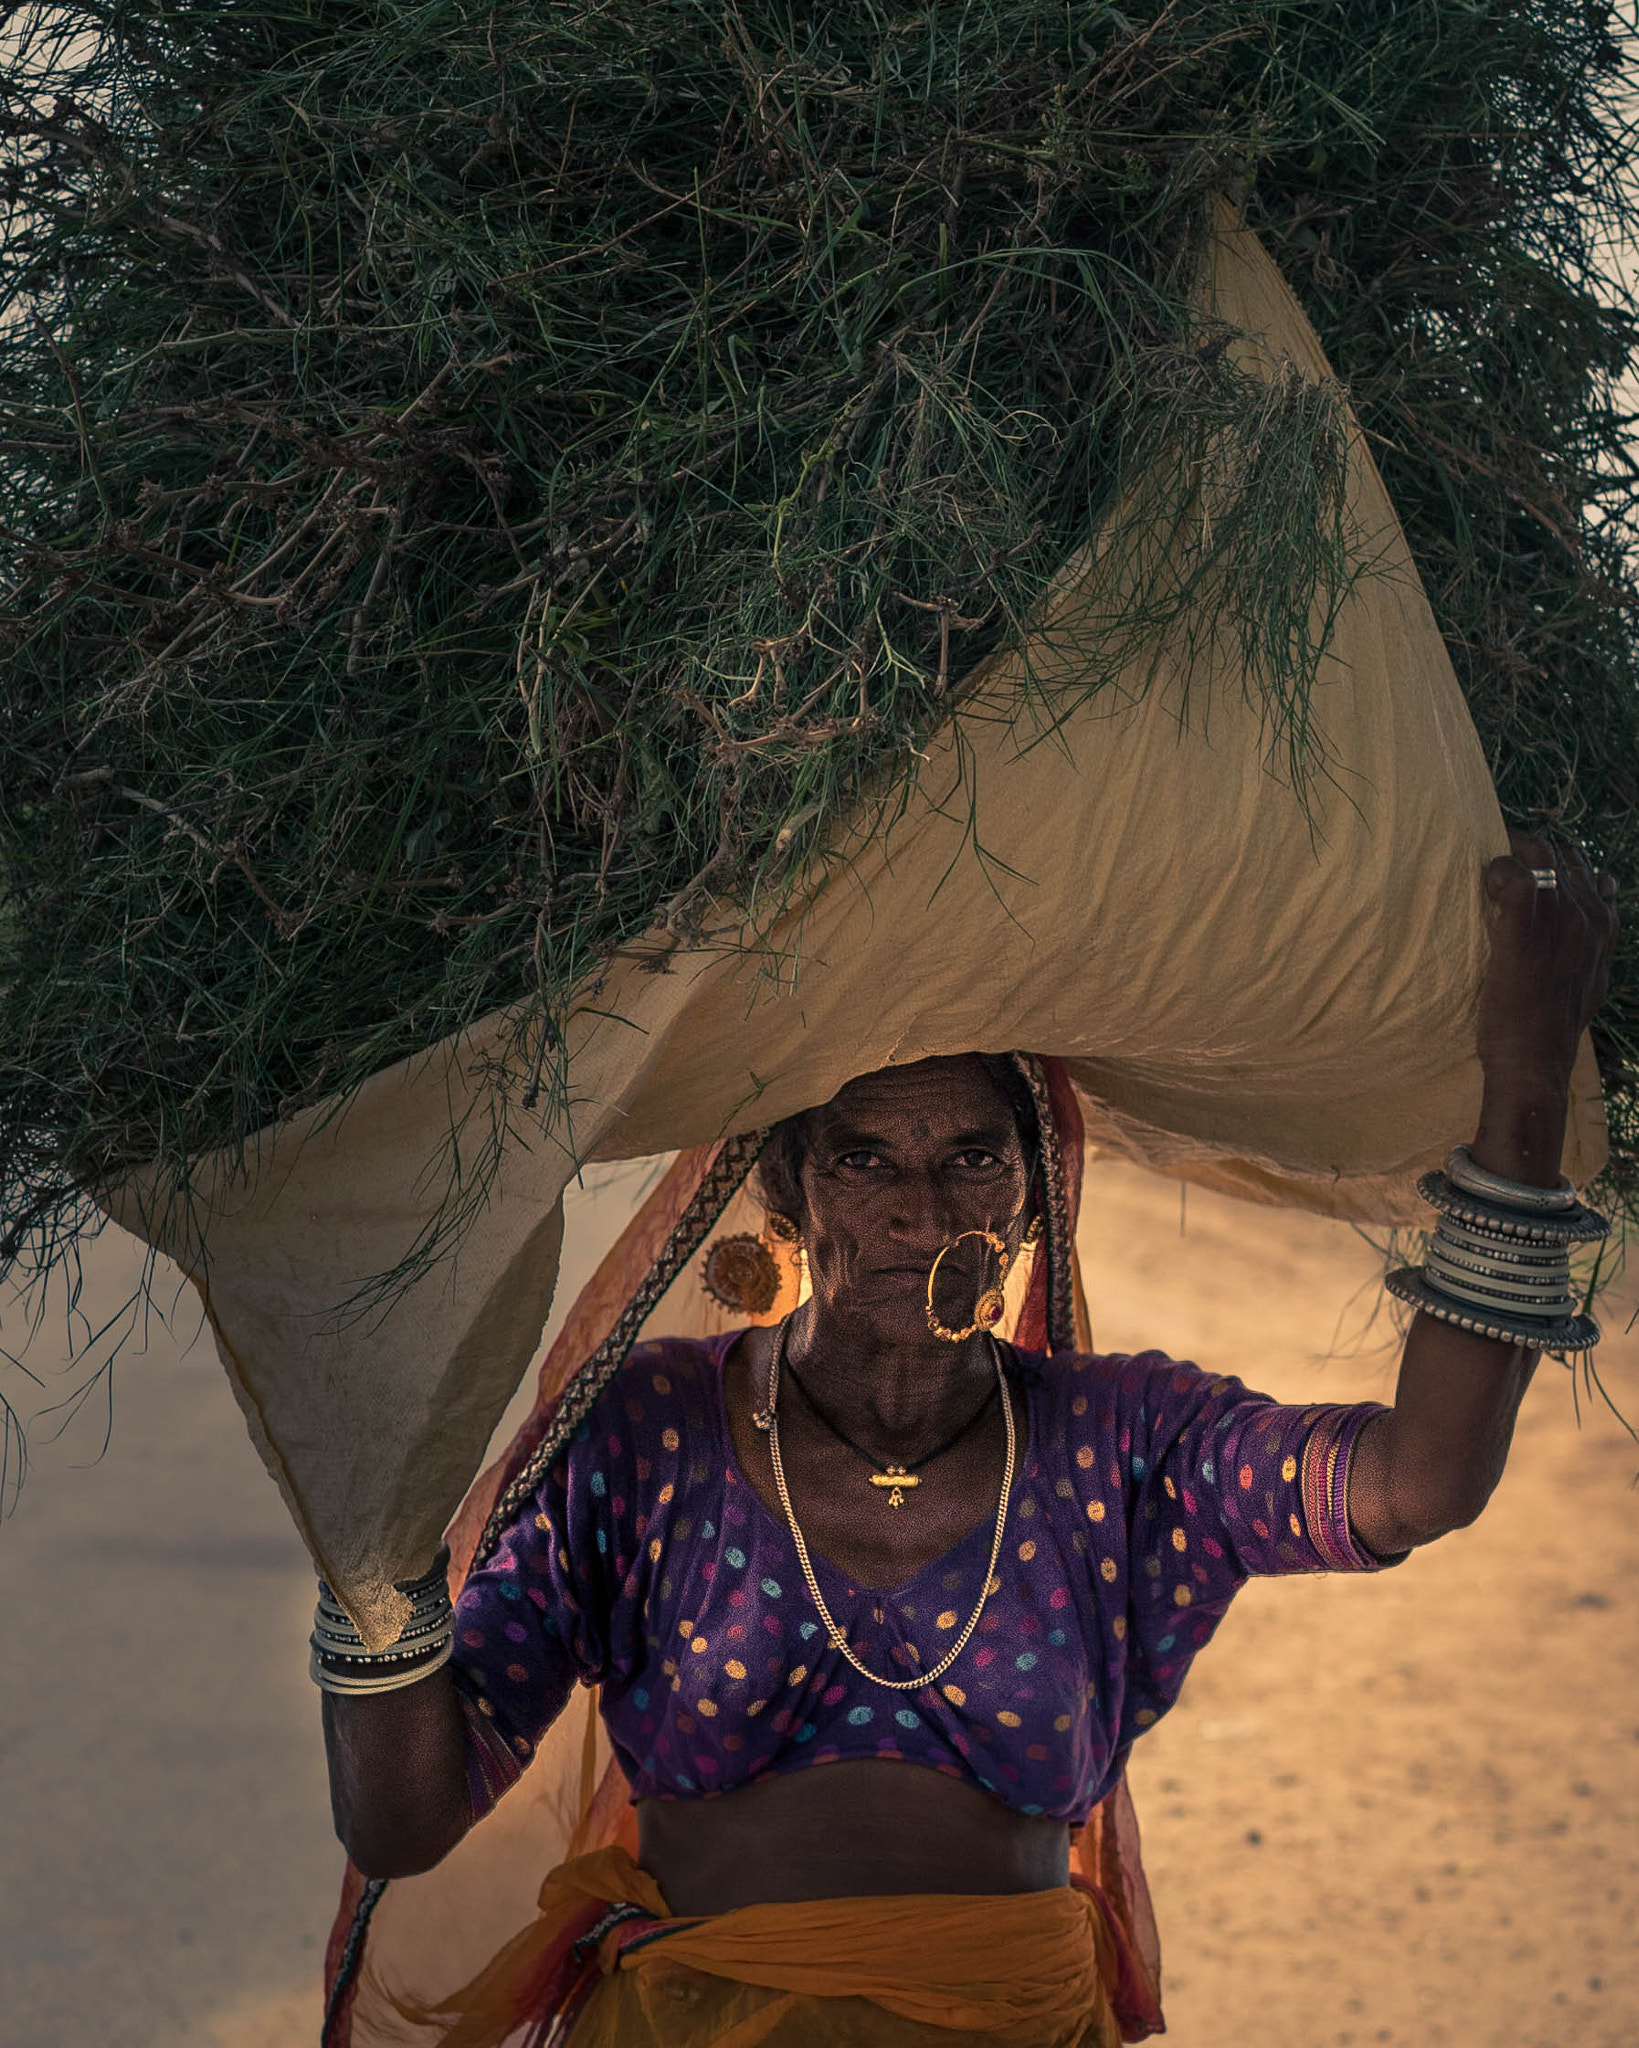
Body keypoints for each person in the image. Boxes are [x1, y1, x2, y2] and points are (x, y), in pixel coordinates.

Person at [314, 832, 1617, 2047]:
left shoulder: (1125, 1445)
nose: (921, 1211)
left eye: (972, 1158)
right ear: (782, 1185)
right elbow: (405, 1821)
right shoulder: (647, 1438)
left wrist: (1524, 1070)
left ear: (1037, 1190)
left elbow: (1418, 1482)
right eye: (864, 1158)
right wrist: (368, 1577)